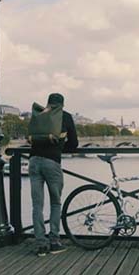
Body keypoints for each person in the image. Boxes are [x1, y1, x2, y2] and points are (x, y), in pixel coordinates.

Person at [30, 93, 78, 256]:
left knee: (37, 205)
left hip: (33, 161)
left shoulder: (39, 115)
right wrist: (59, 147)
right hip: (52, 162)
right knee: (55, 203)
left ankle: (40, 244)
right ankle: (54, 241)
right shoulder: (65, 117)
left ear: (48, 103)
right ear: (62, 105)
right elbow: (74, 144)